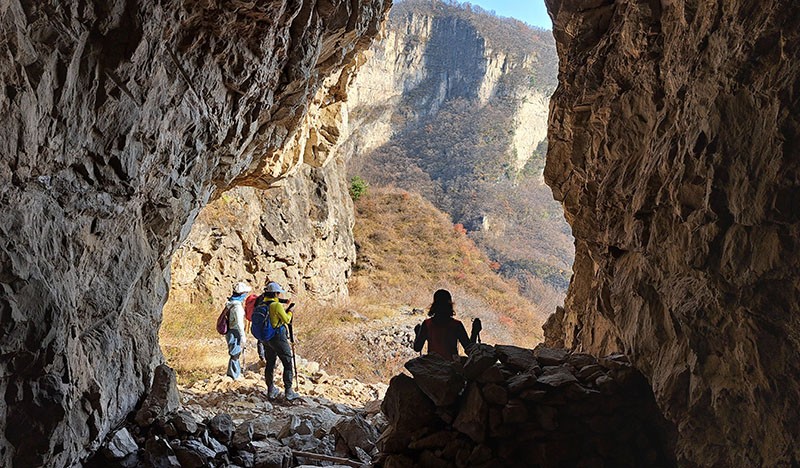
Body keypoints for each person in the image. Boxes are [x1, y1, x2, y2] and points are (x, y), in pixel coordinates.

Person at [255, 281, 300, 401]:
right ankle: (289, 392)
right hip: (278, 337)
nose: (280, 295)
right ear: (275, 293)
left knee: (270, 363)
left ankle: (270, 390)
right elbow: (286, 319)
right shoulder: (276, 306)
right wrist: (290, 311)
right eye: (279, 293)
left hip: (266, 338)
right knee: (287, 362)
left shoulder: (262, 304)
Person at [413, 289, 481, 360]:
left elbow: (417, 348)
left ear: (434, 305)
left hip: (433, 366)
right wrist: (475, 332)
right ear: (449, 305)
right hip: (451, 367)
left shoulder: (427, 324)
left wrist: (418, 334)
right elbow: (469, 349)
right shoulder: (456, 325)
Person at [225, 281, 251, 379]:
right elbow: (239, 323)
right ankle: (234, 375)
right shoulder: (237, 307)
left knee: (234, 351)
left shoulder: (230, 303)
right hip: (235, 331)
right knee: (235, 353)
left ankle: (234, 373)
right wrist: (243, 336)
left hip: (230, 330)